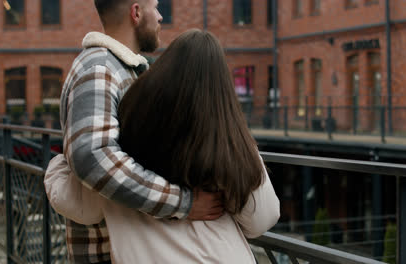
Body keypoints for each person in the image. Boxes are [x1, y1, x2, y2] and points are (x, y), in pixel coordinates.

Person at [55, 0, 223, 263]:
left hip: (126, 245)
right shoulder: (100, 68)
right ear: (136, 12)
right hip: (107, 251)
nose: (160, 17)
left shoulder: (121, 68)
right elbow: (92, 157)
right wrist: (183, 203)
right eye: (155, 7)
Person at [100, 29, 280, 263]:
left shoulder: (129, 125)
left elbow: (76, 203)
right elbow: (262, 219)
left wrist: (62, 162)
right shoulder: (226, 142)